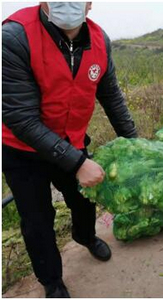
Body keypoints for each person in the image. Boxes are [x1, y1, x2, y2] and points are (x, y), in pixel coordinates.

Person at [2, 2, 137, 297]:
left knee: (85, 201)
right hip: (23, 151)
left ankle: (85, 236)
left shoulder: (100, 41)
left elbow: (111, 94)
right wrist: (78, 164)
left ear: (89, 2)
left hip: (71, 140)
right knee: (37, 221)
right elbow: (20, 117)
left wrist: (135, 143)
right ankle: (52, 280)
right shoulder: (15, 36)